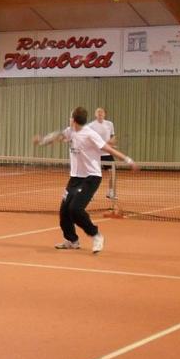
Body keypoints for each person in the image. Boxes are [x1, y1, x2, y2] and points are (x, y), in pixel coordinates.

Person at [34, 107, 137, 254]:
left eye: (71, 117)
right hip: (75, 178)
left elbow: (109, 149)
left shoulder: (90, 134)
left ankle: (96, 235)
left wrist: (128, 160)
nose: (69, 119)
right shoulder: (70, 131)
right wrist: (42, 141)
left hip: (91, 177)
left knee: (75, 209)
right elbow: (57, 136)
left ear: (74, 120)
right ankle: (72, 240)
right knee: (64, 211)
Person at [87, 107, 117, 198]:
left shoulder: (110, 124)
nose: (100, 113)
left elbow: (113, 136)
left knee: (113, 172)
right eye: (98, 112)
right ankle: (91, 193)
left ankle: (110, 192)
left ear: (104, 114)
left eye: (102, 112)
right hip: (95, 154)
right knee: (93, 175)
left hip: (107, 153)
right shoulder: (91, 125)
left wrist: (112, 141)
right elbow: (89, 138)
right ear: (95, 114)